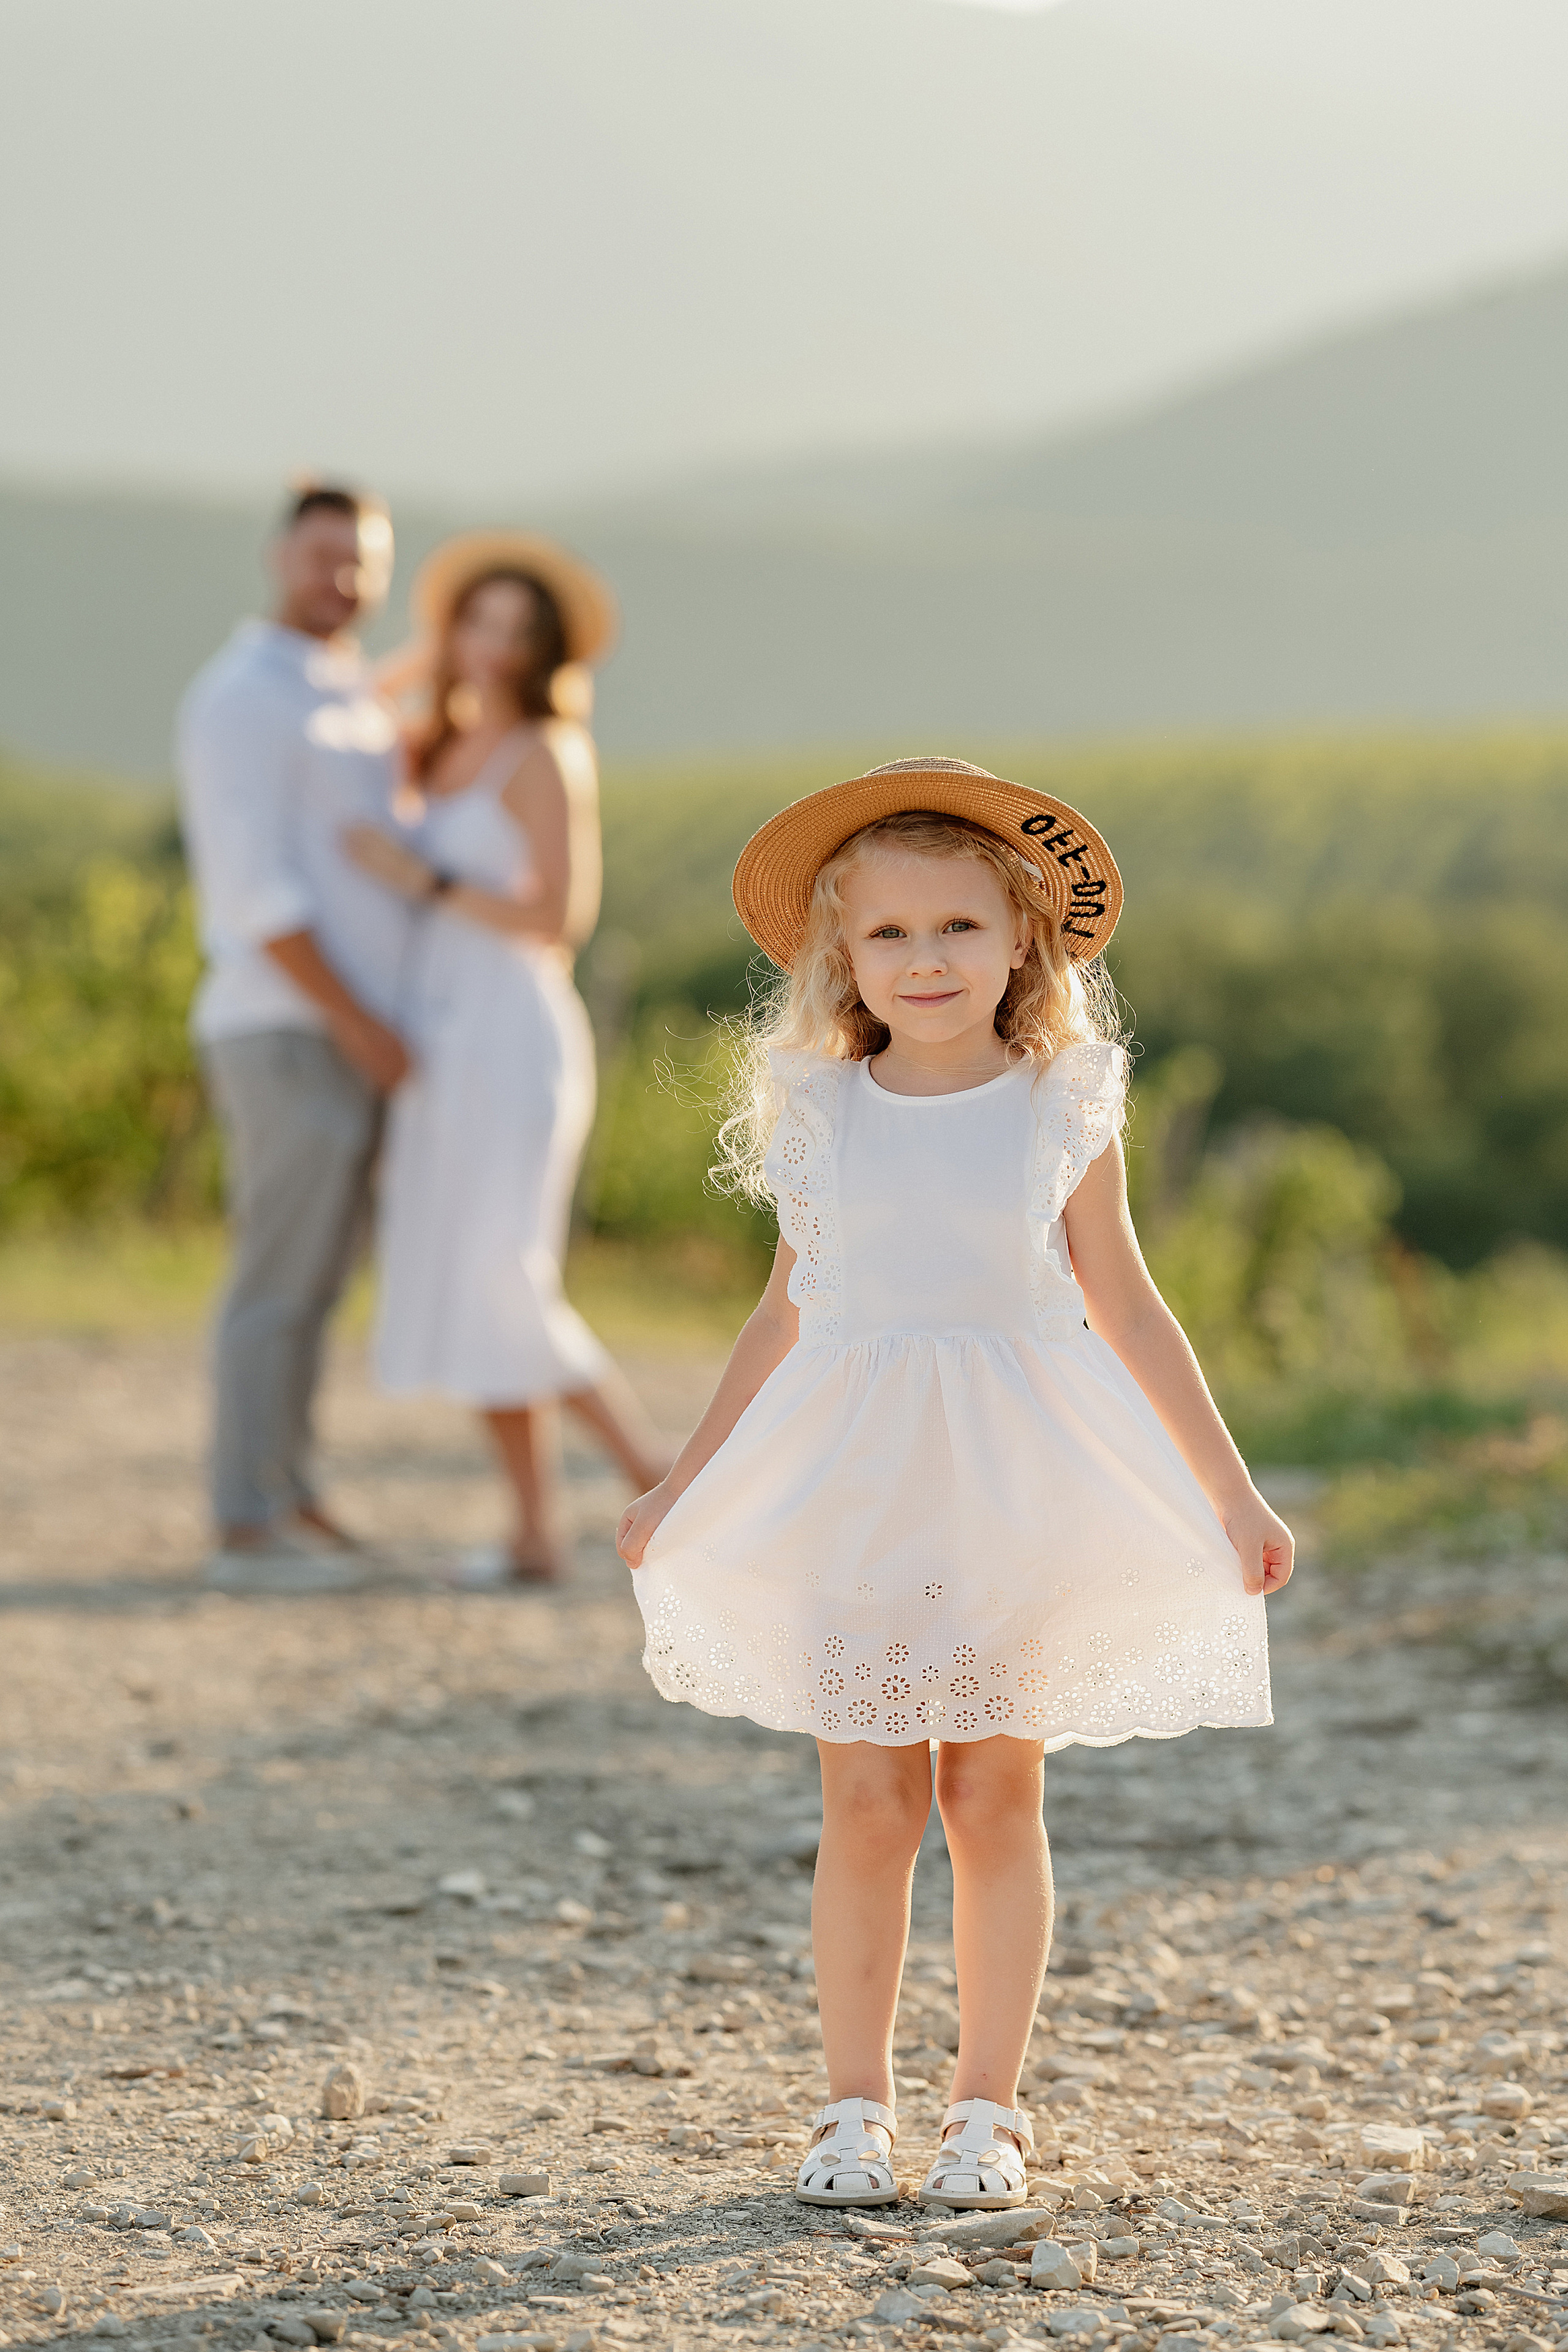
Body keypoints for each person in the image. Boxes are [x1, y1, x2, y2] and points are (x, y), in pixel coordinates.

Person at [617, 757, 1294, 2211]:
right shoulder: (821, 1108)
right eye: (888, 935)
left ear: (1019, 944)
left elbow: (1127, 1303)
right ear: (841, 957)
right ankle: (850, 2105)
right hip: (853, 1483)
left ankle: (986, 2104)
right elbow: (785, 1311)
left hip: (1020, 1484)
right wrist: (682, 1484)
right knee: (867, 1803)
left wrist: (1229, 1495)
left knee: (993, 1793)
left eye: (958, 931)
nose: (925, 961)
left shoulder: (1062, 1101)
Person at [342, 530, 666, 1583]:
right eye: (475, 620)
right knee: (477, 1281)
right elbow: (349, 708)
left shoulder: (545, 752)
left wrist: (421, 881)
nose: (490, 645)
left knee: (506, 1273)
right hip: (440, 1034)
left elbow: (559, 915)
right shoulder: (436, 744)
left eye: (515, 630)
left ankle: (661, 1480)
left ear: (547, 650)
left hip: (512, 1033)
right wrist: (430, 649)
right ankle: (535, 1532)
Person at [177, 482, 412, 1594]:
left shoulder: (346, 691)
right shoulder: (242, 699)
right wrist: (361, 1025)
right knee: (277, 1274)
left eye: (364, 560)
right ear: (279, 556)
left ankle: (293, 1488)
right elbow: (253, 895)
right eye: (325, 557)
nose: (345, 580)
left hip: (342, 1029)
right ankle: (245, 1517)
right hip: (287, 1026)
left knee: (321, 1275)